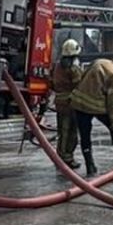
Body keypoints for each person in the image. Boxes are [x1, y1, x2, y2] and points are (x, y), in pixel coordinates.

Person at [70, 52, 113, 176]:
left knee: (85, 136)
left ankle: (90, 166)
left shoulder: (98, 61)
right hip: (96, 105)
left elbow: (82, 77)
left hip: (78, 103)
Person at [50, 39, 85, 170]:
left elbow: (51, 83)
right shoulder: (73, 68)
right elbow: (79, 84)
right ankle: (67, 158)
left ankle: (60, 158)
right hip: (71, 104)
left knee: (62, 132)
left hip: (60, 103)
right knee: (71, 133)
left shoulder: (57, 66)